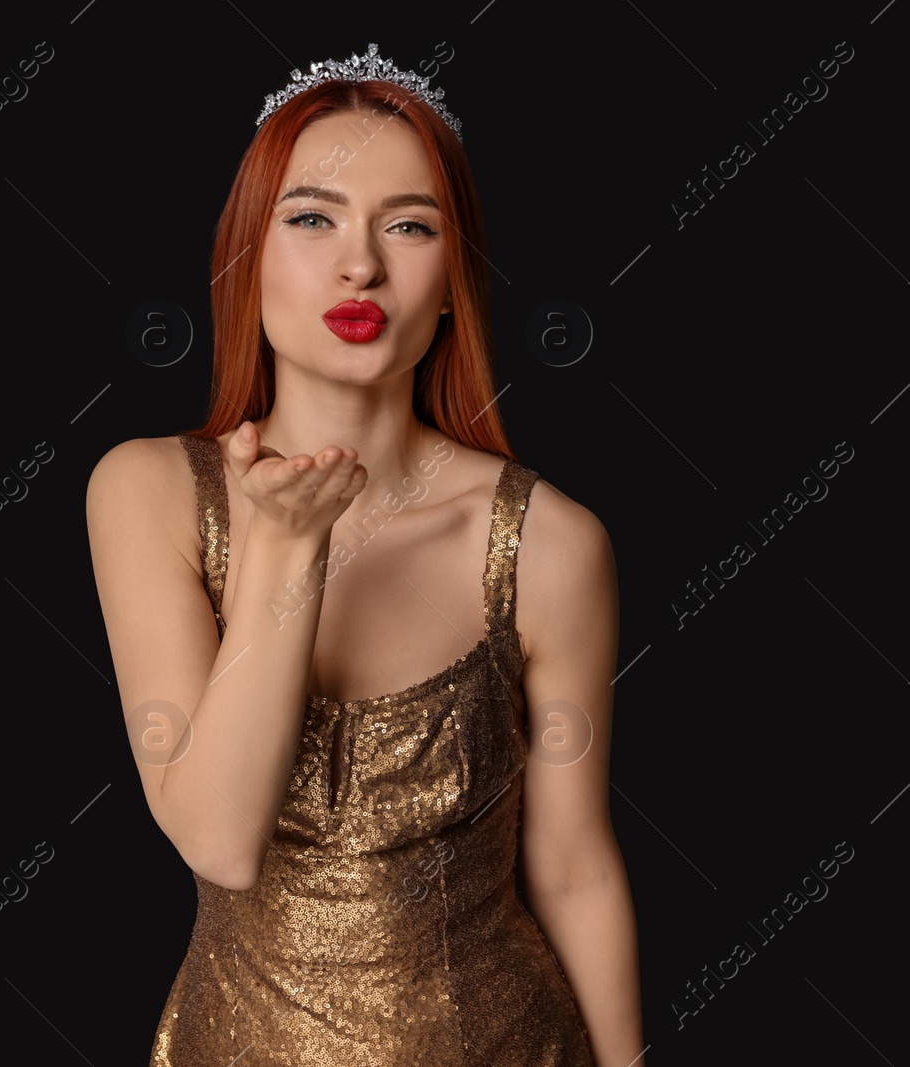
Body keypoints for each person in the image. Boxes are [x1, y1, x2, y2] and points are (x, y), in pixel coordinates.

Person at [85, 43, 645, 1067]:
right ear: (246, 260)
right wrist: (286, 551)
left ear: (449, 286)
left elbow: (572, 865)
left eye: (410, 225)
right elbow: (217, 836)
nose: (361, 263)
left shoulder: (551, 542)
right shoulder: (148, 488)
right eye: (312, 218)